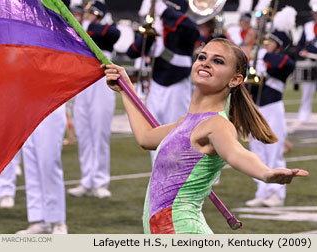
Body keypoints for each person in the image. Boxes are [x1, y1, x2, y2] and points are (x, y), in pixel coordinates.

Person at [102, 38, 309, 234]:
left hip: (181, 231)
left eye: (218, 61)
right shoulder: (188, 122)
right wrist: (126, 89)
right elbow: (146, 138)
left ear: (235, 80)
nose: (206, 63)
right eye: (202, 57)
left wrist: (265, 173)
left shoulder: (216, 125)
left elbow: (237, 154)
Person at [127, 0, 199, 162]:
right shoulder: (158, 26)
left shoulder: (181, 25)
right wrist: (150, 32)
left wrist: (165, 12)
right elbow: (132, 52)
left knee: (178, 134)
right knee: (155, 132)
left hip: (176, 84)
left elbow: (192, 30)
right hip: (156, 85)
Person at [245, 6, 297, 207]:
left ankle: (277, 194)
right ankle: (262, 190)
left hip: (273, 108)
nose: (268, 46)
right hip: (256, 109)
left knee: (274, 152)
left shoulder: (281, 60)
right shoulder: (259, 59)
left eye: (272, 43)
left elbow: (285, 64)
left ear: (279, 45)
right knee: (257, 152)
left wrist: (261, 55)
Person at [67, 1, 120, 198]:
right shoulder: (79, 30)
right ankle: (86, 179)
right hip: (84, 83)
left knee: (99, 133)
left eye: (88, 13)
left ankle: (100, 181)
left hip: (102, 85)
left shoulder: (102, 30)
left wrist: (88, 25)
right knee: (84, 132)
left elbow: (113, 34)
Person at [16, 105, 68, 234]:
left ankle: (58, 221)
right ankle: (38, 219)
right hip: (28, 104)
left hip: (51, 102)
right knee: (30, 163)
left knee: (49, 162)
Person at [295, 0, 317, 124]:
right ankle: (304, 115)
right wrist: (301, 51)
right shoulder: (308, 26)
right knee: (307, 91)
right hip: (310, 61)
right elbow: (300, 44)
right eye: (314, 13)